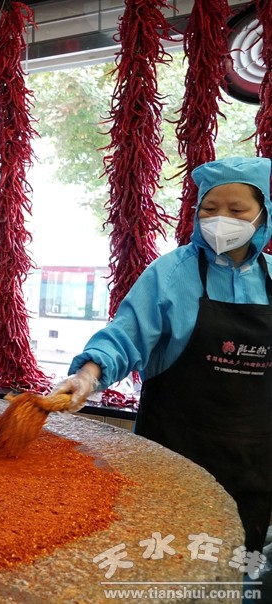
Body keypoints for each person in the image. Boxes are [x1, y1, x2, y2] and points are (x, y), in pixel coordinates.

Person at [53, 156, 272, 554]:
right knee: (164, 566)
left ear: (263, 215)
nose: (221, 219)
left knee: (234, 570)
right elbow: (125, 336)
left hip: (252, 468)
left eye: (237, 210)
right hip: (172, 458)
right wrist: (87, 375)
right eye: (209, 208)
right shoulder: (172, 274)